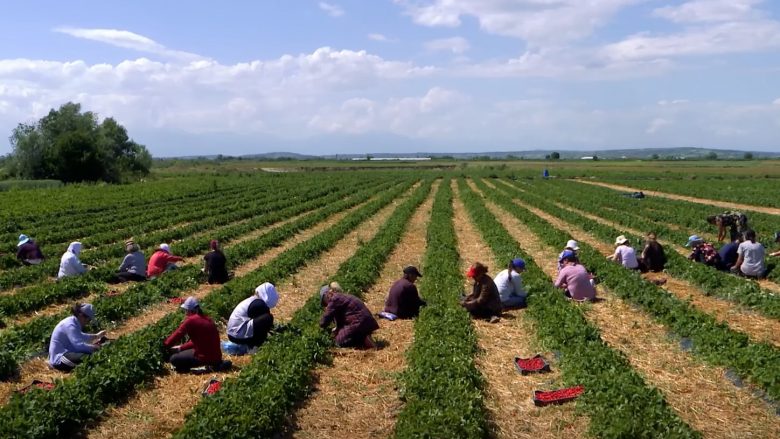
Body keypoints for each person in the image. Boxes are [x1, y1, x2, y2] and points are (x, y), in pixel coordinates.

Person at [163, 297, 225, 372]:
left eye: (186, 310)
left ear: (189, 310)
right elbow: (198, 341)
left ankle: (195, 368)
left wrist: (166, 345)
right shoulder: (207, 319)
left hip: (205, 358)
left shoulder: (191, 320)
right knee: (185, 352)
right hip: (217, 358)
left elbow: (178, 333)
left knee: (174, 359)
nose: (185, 313)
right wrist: (181, 348)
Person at [48, 303, 105, 372]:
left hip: (69, 353)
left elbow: (80, 336)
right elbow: (79, 345)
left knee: (92, 356)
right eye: (88, 320)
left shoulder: (74, 322)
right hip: (60, 358)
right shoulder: (70, 325)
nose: (88, 323)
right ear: (81, 315)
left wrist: (96, 336)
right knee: (87, 358)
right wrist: (94, 348)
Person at [320, 282, 379, 348]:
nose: (326, 304)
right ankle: (363, 335)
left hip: (359, 321)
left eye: (324, 301)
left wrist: (320, 327)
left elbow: (326, 318)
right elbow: (341, 321)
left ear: (326, 295)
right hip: (365, 320)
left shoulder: (334, 299)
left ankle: (363, 338)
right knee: (341, 335)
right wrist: (336, 330)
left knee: (338, 341)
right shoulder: (340, 296)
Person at [227, 283, 278, 349]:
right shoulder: (259, 304)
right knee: (267, 318)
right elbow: (264, 326)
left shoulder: (254, 300)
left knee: (265, 320)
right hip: (237, 335)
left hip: (233, 334)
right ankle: (256, 345)